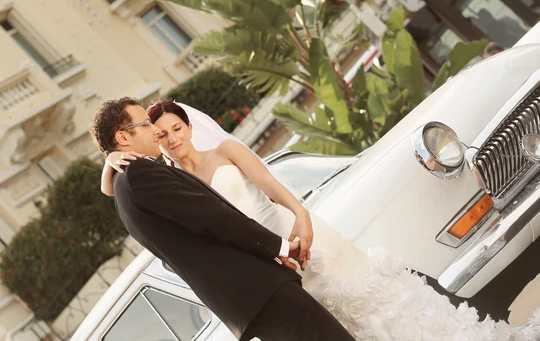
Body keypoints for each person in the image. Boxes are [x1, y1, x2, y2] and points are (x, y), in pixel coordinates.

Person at [102, 100, 540, 340]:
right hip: (270, 262)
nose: (170, 138)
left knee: (376, 298)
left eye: (175, 128)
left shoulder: (225, 153)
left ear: (189, 126)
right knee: (339, 324)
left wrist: (302, 216)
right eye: (160, 134)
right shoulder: (166, 179)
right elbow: (126, 189)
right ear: (149, 141)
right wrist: (109, 162)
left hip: (294, 237)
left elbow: (273, 188)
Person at [89, 97, 356, 341]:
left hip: (246, 299)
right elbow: (214, 219)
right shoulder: (140, 173)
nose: (156, 131)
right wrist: (281, 248)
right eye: (146, 124)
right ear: (123, 137)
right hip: (260, 289)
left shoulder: (123, 189)